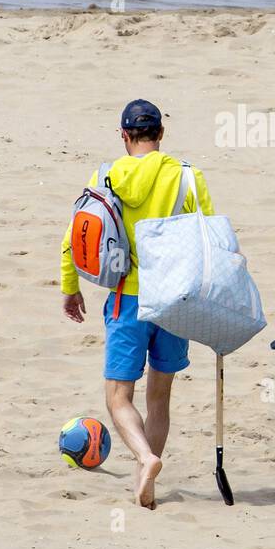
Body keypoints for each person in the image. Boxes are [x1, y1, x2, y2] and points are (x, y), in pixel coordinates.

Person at [61, 99, 215, 508]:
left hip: (126, 299)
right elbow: (210, 239)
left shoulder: (105, 175)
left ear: (124, 136)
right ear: (161, 134)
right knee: (159, 398)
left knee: (118, 398)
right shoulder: (187, 176)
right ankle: (142, 478)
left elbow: (76, 233)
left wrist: (70, 285)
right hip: (173, 302)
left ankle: (145, 459)